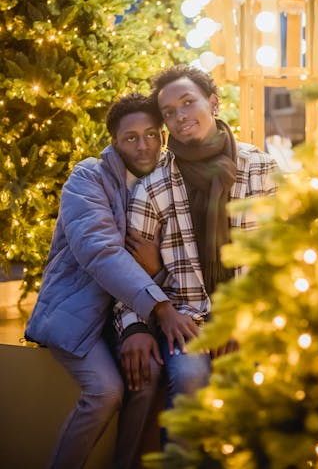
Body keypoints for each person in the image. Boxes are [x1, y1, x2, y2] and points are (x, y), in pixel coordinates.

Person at [114, 65, 278, 430]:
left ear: (214, 103)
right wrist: (134, 328)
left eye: (188, 103)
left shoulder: (260, 170)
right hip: (188, 320)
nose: (180, 117)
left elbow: (279, 257)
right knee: (189, 378)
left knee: (253, 379)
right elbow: (127, 270)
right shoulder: (153, 187)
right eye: (169, 113)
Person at [25, 92, 179, 469]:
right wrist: (160, 307)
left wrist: (143, 311)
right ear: (114, 141)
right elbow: (101, 253)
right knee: (105, 391)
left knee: (148, 375)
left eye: (152, 134)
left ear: (162, 136)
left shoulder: (165, 181)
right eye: (131, 137)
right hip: (77, 310)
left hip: (124, 314)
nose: (143, 145)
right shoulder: (88, 178)